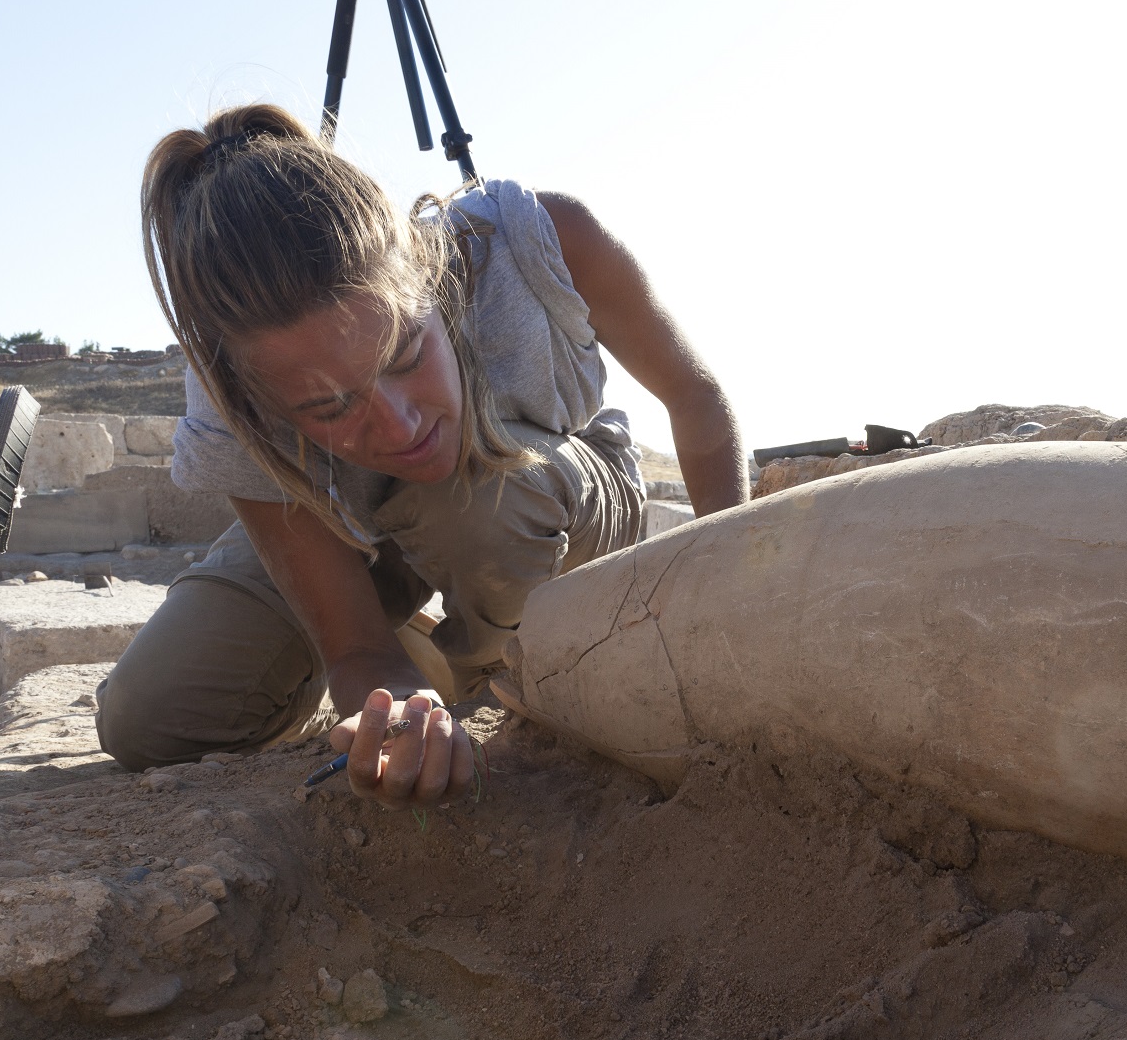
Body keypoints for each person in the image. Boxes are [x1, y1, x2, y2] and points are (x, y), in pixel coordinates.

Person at [94, 103, 745, 808]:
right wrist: (399, 710)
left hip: (558, 500)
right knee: (147, 717)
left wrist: (733, 590)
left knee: (483, 500)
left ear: (425, 274)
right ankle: (438, 658)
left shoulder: (536, 241)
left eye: (404, 354)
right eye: (329, 407)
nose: (400, 424)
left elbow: (697, 398)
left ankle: (503, 662)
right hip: (356, 526)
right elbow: (358, 654)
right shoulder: (230, 394)